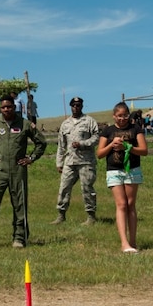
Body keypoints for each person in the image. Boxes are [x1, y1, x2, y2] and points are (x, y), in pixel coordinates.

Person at [0, 95, 47, 248]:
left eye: (9, 106)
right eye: (3, 107)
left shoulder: (25, 124)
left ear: (14, 107)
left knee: (20, 205)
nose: (6, 109)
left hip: (18, 170)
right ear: (0, 109)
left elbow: (41, 143)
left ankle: (19, 238)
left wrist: (31, 158)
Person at [97, 101, 148, 253]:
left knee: (131, 204)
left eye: (125, 115)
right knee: (121, 204)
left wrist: (128, 147)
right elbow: (99, 154)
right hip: (114, 171)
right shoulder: (108, 131)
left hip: (132, 170)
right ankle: (124, 243)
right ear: (114, 116)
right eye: (119, 116)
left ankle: (133, 241)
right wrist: (112, 144)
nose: (122, 118)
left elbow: (144, 150)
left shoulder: (135, 129)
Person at [51, 97, 99, 226]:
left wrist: (83, 143)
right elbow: (61, 145)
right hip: (70, 161)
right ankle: (61, 215)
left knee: (87, 188)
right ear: (71, 106)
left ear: (82, 106)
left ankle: (91, 215)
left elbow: (96, 138)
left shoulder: (89, 121)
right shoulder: (65, 124)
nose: (76, 107)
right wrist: (59, 162)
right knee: (64, 188)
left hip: (86, 161)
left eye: (78, 105)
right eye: (73, 105)